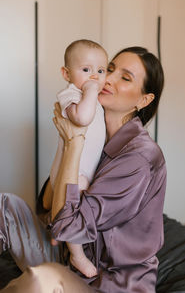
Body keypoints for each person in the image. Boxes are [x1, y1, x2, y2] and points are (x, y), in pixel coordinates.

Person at [0, 46, 166, 293]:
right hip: (69, 258)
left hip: (108, 282)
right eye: (109, 69)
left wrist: (73, 143)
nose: (106, 78)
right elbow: (48, 206)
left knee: (43, 281)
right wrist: (70, 142)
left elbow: (65, 225)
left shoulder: (140, 157)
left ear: (143, 100)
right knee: (5, 205)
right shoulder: (95, 132)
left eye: (125, 77)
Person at [48, 39, 108, 278]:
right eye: (86, 70)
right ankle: (77, 254)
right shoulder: (70, 94)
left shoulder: (88, 96)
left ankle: (57, 230)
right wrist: (92, 91)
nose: (94, 77)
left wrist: (93, 92)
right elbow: (82, 119)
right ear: (66, 73)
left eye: (101, 71)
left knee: (80, 210)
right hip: (70, 174)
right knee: (75, 210)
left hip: (82, 170)